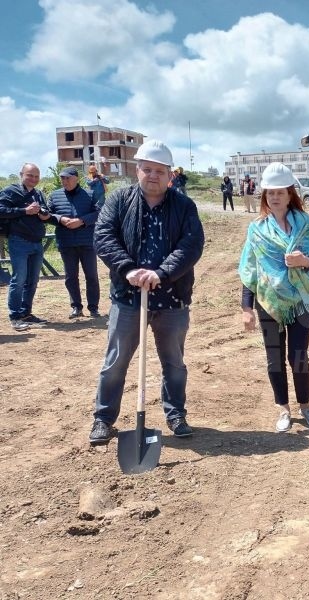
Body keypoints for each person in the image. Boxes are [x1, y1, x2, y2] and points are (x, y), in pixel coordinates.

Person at [88, 140, 205, 445]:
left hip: (172, 299)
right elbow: (103, 236)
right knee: (115, 362)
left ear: (170, 175)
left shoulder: (184, 206)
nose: (153, 175)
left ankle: (176, 414)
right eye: (147, 169)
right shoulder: (119, 200)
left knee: (174, 363)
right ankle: (103, 419)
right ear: (137, 170)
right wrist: (127, 269)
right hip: (128, 299)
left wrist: (161, 273)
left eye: (160, 170)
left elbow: (191, 245)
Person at [239, 162, 309, 432]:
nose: (275, 197)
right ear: (265, 196)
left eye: (281, 191)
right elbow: (250, 271)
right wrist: (246, 308)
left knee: (299, 356)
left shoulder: (305, 224)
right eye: (271, 192)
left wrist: (305, 261)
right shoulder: (257, 230)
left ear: (291, 194)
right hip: (268, 302)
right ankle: (283, 408)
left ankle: (305, 405)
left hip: (301, 300)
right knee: (274, 357)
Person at [0, 163, 51, 332]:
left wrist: (44, 214)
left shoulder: (38, 194)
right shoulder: (10, 191)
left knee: (33, 280)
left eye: (36, 176)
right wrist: (24, 210)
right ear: (21, 174)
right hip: (18, 241)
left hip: (36, 241)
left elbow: (45, 212)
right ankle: (15, 316)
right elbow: (1, 210)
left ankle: (26, 313)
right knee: (19, 279)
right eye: (30, 175)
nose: (34, 179)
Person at [46, 166, 101, 319]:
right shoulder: (54, 196)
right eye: (62, 178)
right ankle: (76, 307)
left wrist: (82, 221)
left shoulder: (90, 195)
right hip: (66, 242)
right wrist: (60, 219)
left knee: (91, 275)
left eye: (68, 178)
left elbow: (99, 213)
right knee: (71, 277)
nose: (65, 181)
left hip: (87, 242)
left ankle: (93, 307)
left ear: (76, 178)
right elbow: (48, 215)